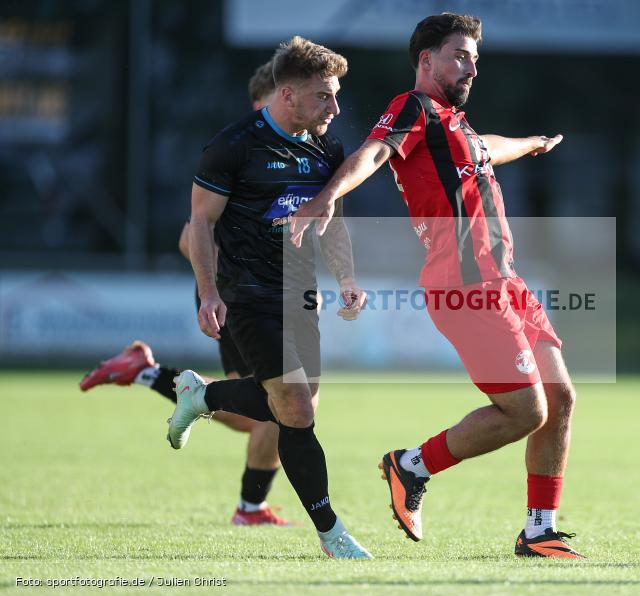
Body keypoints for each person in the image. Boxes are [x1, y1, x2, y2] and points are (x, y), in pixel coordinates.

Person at [290, 13, 584, 559]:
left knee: (561, 397)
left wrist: (532, 143)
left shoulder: (457, 125)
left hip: (506, 281)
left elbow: (488, 147)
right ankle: (410, 466)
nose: (472, 65)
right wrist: (331, 194)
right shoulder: (413, 107)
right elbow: (375, 152)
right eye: (460, 55)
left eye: (475, 56)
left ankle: (539, 531)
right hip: (466, 284)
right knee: (527, 412)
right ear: (426, 60)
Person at [164, 36, 372, 559]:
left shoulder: (327, 147)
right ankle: (332, 534)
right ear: (287, 95)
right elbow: (201, 224)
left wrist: (346, 279)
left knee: (299, 407)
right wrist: (209, 292)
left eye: (336, 94)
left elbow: (332, 222)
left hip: (301, 296)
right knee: (297, 410)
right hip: (246, 294)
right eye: (325, 95)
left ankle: (202, 397)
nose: (335, 106)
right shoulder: (233, 145)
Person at [79, 59, 291, 526]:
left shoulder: (284, 155)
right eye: (286, 98)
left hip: (253, 292)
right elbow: (188, 234)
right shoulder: (247, 152)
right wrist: (224, 283)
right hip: (240, 295)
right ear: (264, 103)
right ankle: (250, 509)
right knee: (283, 403)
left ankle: (146, 374)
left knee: (251, 411)